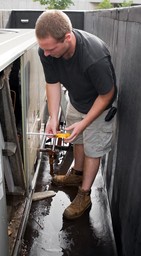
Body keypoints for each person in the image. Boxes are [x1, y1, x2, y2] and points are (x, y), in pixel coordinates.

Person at [35, 10, 117, 220]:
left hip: (99, 106)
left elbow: (107, 95)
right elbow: (52, 82)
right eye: (43, 48)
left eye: (50, 49)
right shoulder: (46, 50)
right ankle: (76, 174)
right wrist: (53, 117)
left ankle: (84, 194)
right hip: (77, 101)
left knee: (93, 149)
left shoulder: (94, 57)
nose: (45, 54)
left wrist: (85, 122)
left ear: (68, 39)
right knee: (77, 139)